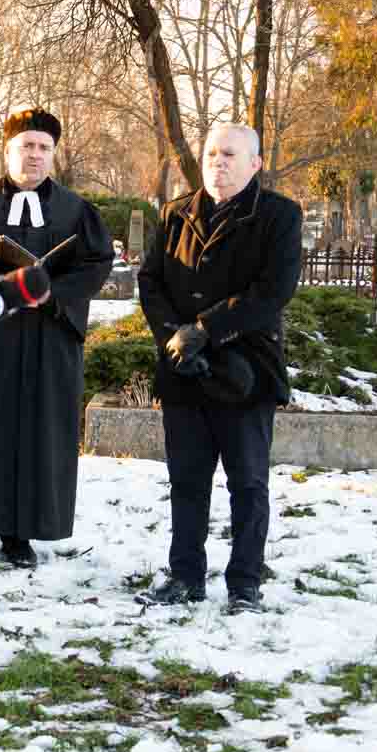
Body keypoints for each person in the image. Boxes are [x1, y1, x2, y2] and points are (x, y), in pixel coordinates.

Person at [0, 108, 115, 567]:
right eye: (26, 146)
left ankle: (21, 533)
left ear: (53, 154)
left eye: (43, 148)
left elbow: (95, 264)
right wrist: (6, 290)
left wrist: (51, 293)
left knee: (37, 431)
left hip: (46, 336)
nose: (34, 155)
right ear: (7, 150)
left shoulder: (77, 211)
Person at [137, 122, 302, 614]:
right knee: (187, 482)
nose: (218, 162)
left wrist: (205, 329)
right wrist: (174, 337)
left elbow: (272, 291)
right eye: (211, 153)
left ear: (255, 164)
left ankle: (245, 583)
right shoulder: (175, 213)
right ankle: (185, 576)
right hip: (183, 369)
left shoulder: (278, 216)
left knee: (247, 484)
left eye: (230, 154)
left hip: (244, 370)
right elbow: (150, 280)